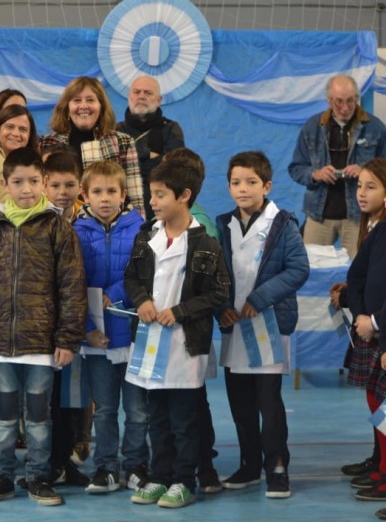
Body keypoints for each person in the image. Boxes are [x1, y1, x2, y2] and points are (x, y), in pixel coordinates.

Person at [0, 147, 86, 507]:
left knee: (38, 417)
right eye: (18, 182)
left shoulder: (58, 229)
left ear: (44, 182)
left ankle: (38, 476)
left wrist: (67, 339)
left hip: (41, 347)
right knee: (2, 417)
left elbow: (72, 287)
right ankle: (2, 475)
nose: (27, 189)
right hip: (0, 346)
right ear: (5, 184)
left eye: (33, 181)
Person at [125, 156, 229, 509]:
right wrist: (141, 300)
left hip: (186, 347)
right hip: (150, 345)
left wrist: (180, 312)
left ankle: (185, 480)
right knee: (157, 418)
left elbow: (219, 293)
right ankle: (160, 476)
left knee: (184, 421)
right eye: (151, 194)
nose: (152, 201)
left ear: (184, 196)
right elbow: (131, 277)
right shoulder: (146, 237)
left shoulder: (205, 244)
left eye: (160, 195)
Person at [216, 151, 309, 499]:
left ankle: (277, 467)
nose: (243, 188)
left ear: (266, 186)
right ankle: (250, 464)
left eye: (251, 182)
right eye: (236, 182)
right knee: (240, 403)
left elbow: (298, 269)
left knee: (268, 403)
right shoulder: (222, 224)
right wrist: (222, 308)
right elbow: (215, 273)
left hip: (268, 326)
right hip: (234, 328)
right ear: (228, 187)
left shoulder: (283, 223)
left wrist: (259, 298)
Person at [73, 160, 147, 494]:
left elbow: (144, 274)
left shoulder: (140, 228)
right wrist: (88, 328)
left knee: (137, 409)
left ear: (124, 194)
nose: (105, 198)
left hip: (132, 335)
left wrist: (114, 294)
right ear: (85, 194)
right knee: (104, 409)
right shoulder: (75, 231)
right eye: (97, 191)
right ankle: (105, 468)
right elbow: (72, 283)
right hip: (96, 339)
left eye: (111, 191)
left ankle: (136, 466)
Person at [289, 75, 386, 258]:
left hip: (360, 216)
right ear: (329, 100)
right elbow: (296, 168)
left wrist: (366, 172)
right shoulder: (312, 126)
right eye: (338, 101)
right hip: (319, 215)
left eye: (350, 100)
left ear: (357, 98)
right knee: (310, 267)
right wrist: (315, 174)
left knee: (359, 269)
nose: (345, 107)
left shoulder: (376, 128)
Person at [337, 159, 386, 497]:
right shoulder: (373, 227)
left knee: (382, 403)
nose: (361, 193)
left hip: (380, 329)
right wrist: (353, 307)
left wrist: (375, 322)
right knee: (376, 400)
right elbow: (362, 278)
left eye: (371, 186)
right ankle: (380, 463)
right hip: (370, 326)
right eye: (359, 186)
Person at [43, 150, 92, 487]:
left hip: (79, 320)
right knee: (46, 399)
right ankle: (46, 463)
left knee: (73, 398)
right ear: (44, 184)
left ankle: (65, 459)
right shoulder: (36, 221)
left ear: (80, 187)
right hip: (44, 323)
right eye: (56, 185)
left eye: (70, 185)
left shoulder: (86, 221)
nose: (63, 192)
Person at [39, 76, 144, 218]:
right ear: (67, 107)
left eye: (90, 100)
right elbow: (39, 193)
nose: (83, 106)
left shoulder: (123, 142)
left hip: (110, 227)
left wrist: (135, 229)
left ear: (101, 106)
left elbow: (135, 201)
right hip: (57, 224)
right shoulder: (47, 143)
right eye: (77, 100)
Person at [116, 76, 185, 217]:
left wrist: (130, 160)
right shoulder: (115, 131)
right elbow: (113, 172)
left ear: (159, 100)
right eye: (137, 92)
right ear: (129, 96)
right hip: (121, 211)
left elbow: (172, 171)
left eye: (148, 93)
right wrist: (149, 155)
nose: (141, 96)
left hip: (161, 213)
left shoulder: (171, 129)